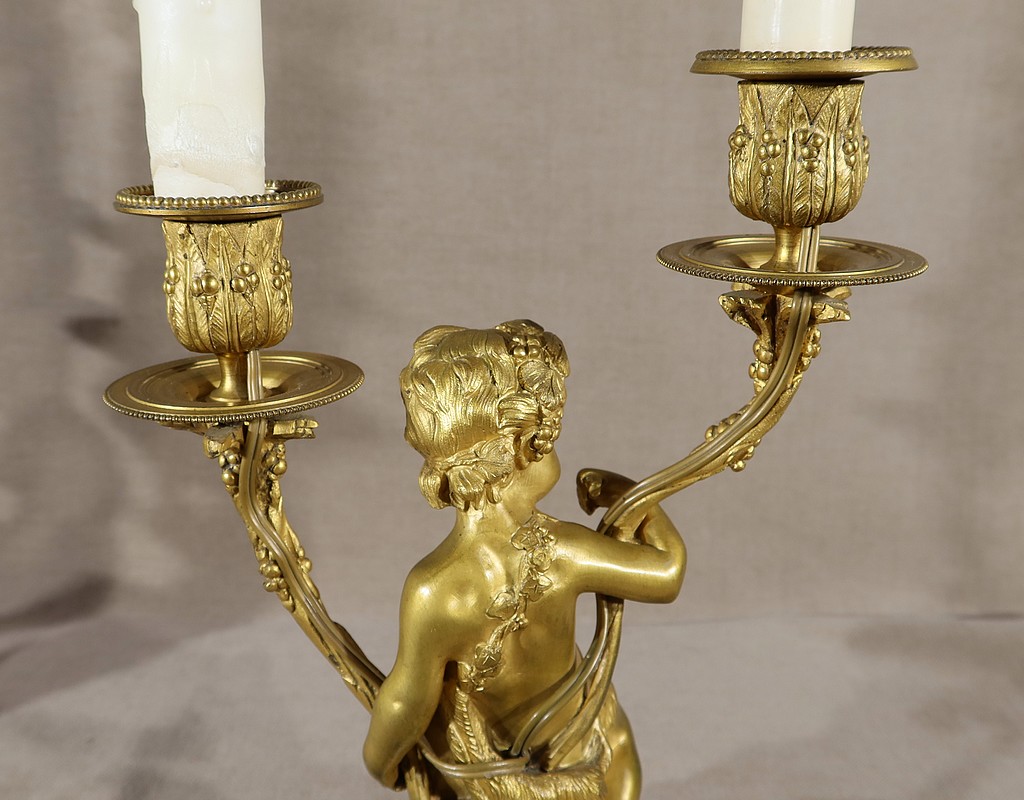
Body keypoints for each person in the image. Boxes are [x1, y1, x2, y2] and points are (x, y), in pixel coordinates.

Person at [363, 320, 685, 800]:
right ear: (522, 448)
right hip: (595, 758)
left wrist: (381, 763)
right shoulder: (564, 550)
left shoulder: (434, 589)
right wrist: (635, 499)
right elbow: (667, 572)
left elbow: (405, 702)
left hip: (497, 782)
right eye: (551, 439)